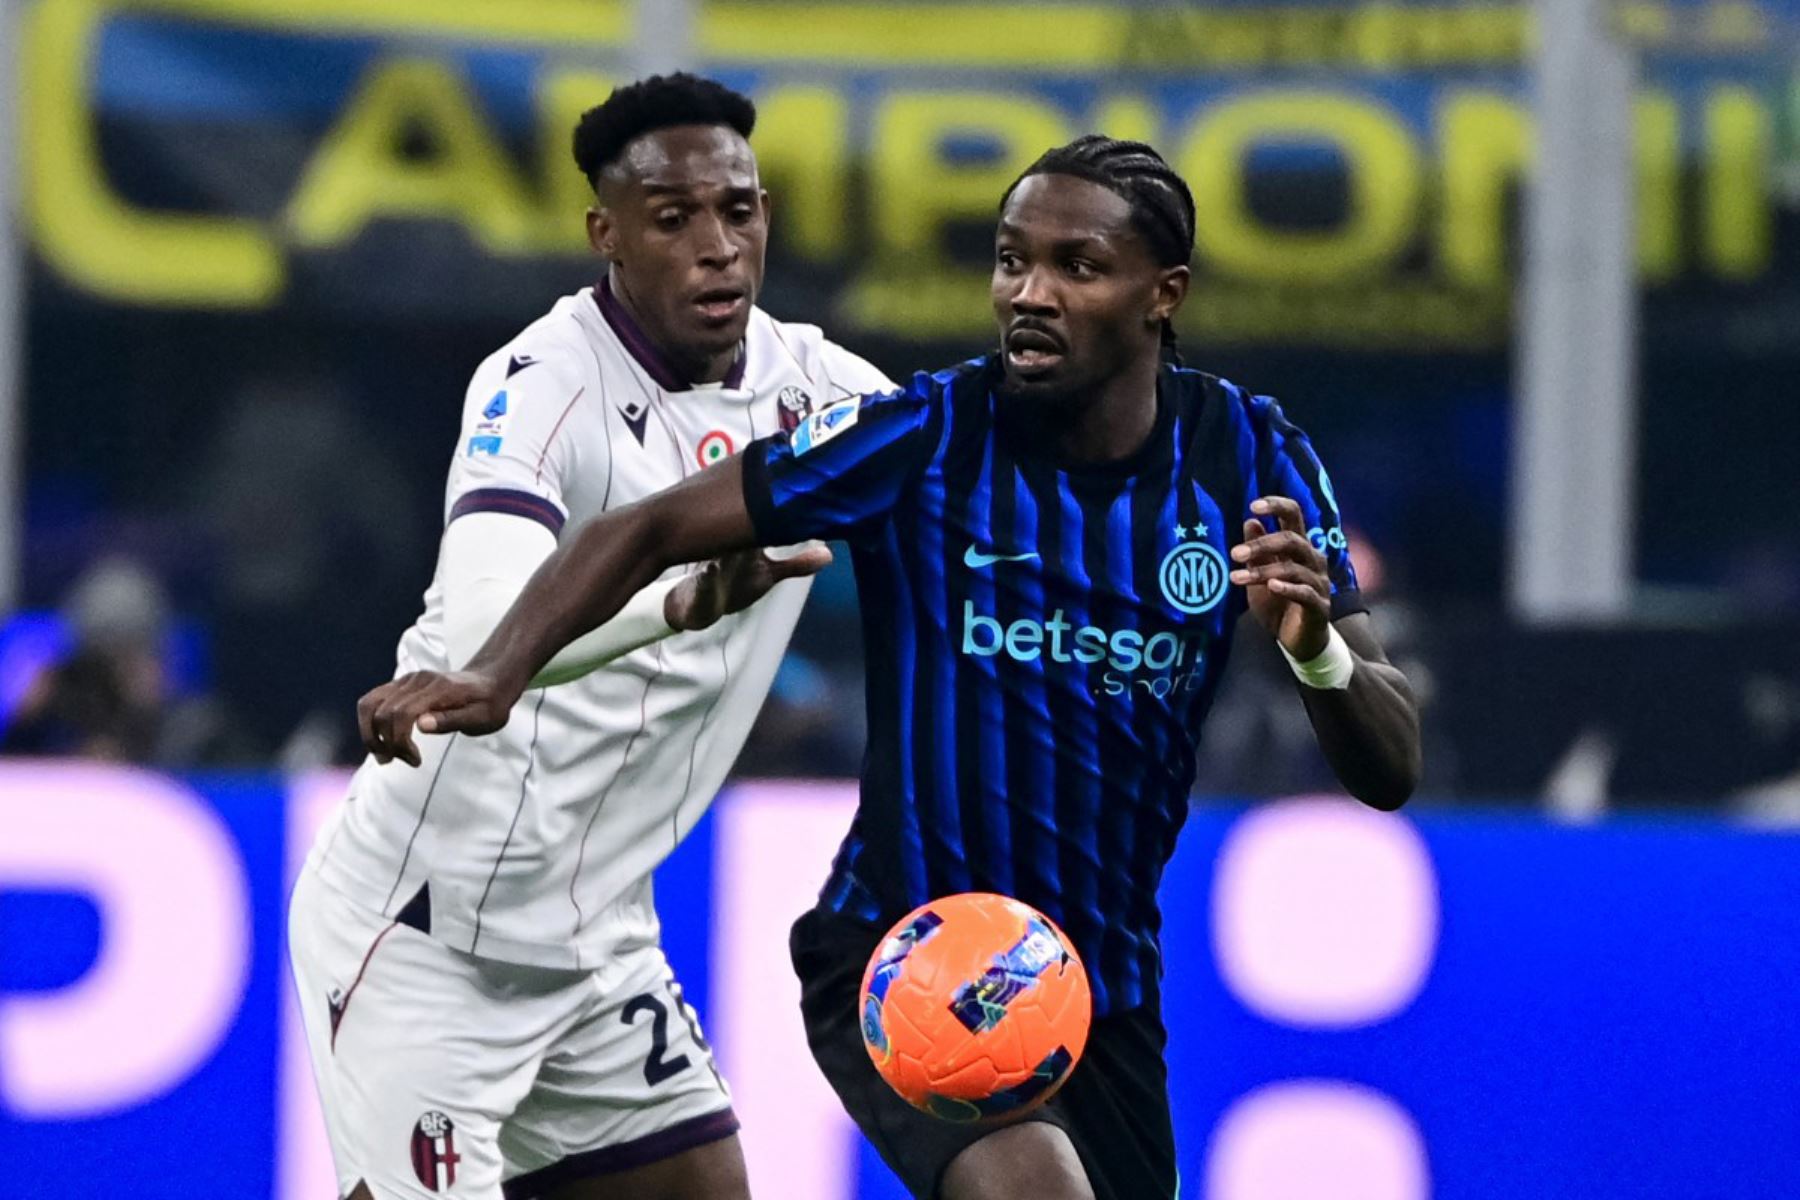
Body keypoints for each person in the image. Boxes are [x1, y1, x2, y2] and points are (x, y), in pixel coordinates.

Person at [359, 135, 1422, 1200]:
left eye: (1077, 268)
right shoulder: (928, 437)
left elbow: (1391, 767)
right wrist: (495, 675)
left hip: (1099, 994)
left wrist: (1317, 648)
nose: (1030, 295)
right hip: (908, 948)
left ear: (1163, 294)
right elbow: (646, 530)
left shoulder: (1248, 456)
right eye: (1012, 260)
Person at [288, 73, 893, 1200]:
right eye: (675, 221)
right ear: (605, 235)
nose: (718, 247)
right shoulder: (537, 386)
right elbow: (479, 632)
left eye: (741, 211)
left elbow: (986, 504)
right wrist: (675, 599)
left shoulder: (824, 393)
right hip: (427, 930)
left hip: (597, 940)